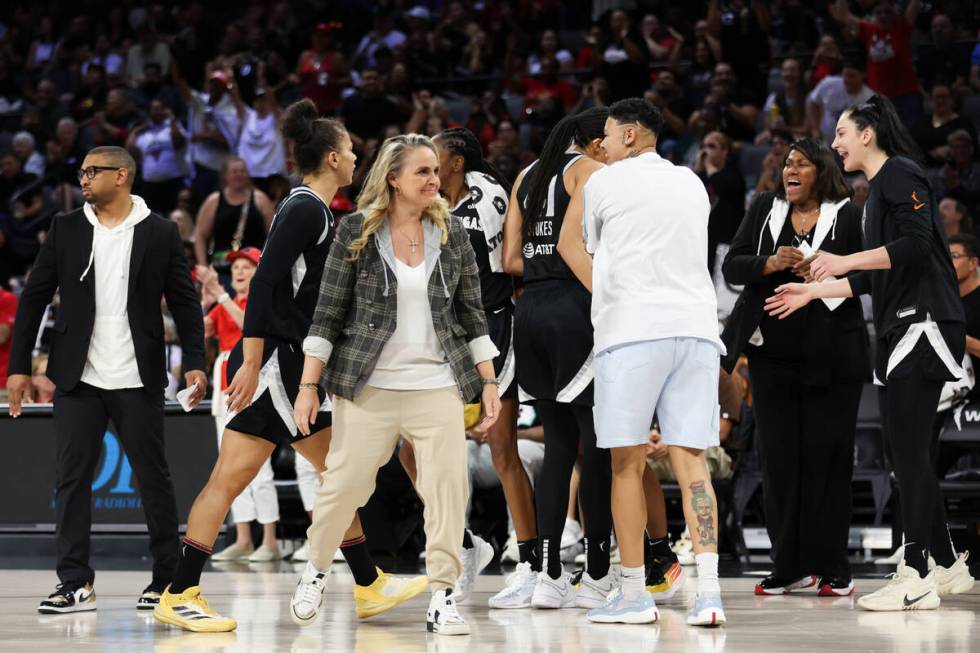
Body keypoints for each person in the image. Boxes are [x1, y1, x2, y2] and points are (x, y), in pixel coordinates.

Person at [155, 100, 425, 633]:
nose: (356, 156)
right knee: (243, 479)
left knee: (335, 474)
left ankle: (368, 583)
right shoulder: (304, 207)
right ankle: (180, 590)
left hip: (288, 363)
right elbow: (264, 283)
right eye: (349, 149)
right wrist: (251, 360)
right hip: (278, 366)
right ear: (330, 156)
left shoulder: (315, 209)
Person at [766, 94, 975, 610]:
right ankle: (947, 566)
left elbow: (918, 244)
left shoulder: (900, 173)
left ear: (867, 134)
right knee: (914, 452)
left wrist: (842, 259)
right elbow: (872, 278)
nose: (834, 142)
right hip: (904, 324)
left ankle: (916, 573)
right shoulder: (878, 189)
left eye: (841, 132)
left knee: (907, 455)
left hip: (921, 325)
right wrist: (814, 289)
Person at [289, 133, 501, 636]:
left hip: (437, 383)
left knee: (448, 488)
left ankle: (443, 594)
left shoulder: (454, 235)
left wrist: (488, 381)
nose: (435, 179)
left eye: (435, 171)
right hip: (369, 385)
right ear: (393, 178)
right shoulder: (355, 231)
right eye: (423, 172)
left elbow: (473, 315)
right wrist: (307, 385)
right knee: (344, 486)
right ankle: (315, 571)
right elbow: (327, 313)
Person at [5, 145, 207, 614]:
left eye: (92, 172)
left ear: (122, 176)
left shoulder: (160, 232)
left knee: (153, 478)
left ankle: (165, 578)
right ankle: (75, 581)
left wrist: (195, 359)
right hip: (78, 377)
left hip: (138, 376)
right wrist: (19, 366)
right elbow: (33, 298)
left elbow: (184, 301)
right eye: (81, 172)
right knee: (70, 479)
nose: (83, 179)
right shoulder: (66, 228)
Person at [580, 98, 726, 627]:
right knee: (692, 465)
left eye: (607, 133)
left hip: (633, 331)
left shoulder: (602, 183)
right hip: (696, 331)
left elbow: (594, 249)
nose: (601, 143)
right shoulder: (691, 181)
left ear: (629, 136)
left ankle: (635, 594)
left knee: (627, 464)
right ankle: (709, 594)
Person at [722, 138, 869, 597]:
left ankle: (833, 567)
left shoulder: (846, 213)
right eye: (787, 163)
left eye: (801, 163)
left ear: (821, 170)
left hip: (834, 354)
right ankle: (788, 565)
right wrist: (769, 262)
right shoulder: (766, 206)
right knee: (780, 462)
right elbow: (732, 266)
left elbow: (867, 275)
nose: (791, 169)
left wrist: (826, 274)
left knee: (827, 459)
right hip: (772, 355)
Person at [398, 126, 524, 603]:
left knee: (501, 447)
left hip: (490, 329)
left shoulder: (488, 193)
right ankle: (467, 543)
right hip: (442, 338)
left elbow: (508, 264)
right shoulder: (431, 210)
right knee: (410, 449)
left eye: (437, 152)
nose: (429, 157)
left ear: (456, 162)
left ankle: (532, 560)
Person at [500, 107, 615, 610]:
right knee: (597, 447)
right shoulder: (590, 171)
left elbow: (508, 262)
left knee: (558, 449)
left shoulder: (525, 174)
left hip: (529, 314)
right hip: (576, 309)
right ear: (592, 143)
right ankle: (595, 573)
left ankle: (548, 573)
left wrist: (542, 262)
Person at [197, 247, 281, 563]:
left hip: (254, 377)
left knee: (257, 467)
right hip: (224, 383)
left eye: (247, 266)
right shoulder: (223, 303)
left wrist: (220, 297)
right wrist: (204, 302)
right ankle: (244, 538)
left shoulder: (258, 301)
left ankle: (270, 540)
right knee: (229, 465)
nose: (239, 272)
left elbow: (251, 327)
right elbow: (196, 330)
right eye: (235, 268)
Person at [193, 157, 274, 267]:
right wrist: (203, 266)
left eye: (242, 171)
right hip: (221, 267)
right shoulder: (214, 201)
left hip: (254, 266)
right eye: (234, 171)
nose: (239, 174)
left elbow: (273, 233)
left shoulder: (260, 199)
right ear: (225, 175)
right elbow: (200, 235)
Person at [696, 130, 746, 275]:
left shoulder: (734, 174)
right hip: (705, 240)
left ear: (724, 151)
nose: (705, 150)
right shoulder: (700, 175)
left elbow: (722, 186)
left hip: (726, 242)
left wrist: (709, 167)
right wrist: (699, 168)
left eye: (711, 146)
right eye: (703, 146)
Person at [126, 100, 189, 215]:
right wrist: (135, 131)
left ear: (165, 110)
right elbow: (131, 153)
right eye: (153, 109)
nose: (155, 112)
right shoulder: (144, 134)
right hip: (150, 185)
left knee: (173, 215)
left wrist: (172, 119)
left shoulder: (173, 127)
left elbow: (178, 142)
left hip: (172, 183)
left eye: (158, 109)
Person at [806, 58, 873, 146]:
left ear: (863, 75)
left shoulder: (869, 98)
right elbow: (812, 102)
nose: (847, 80)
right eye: (845, 75)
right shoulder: (829, 84)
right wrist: (815, 129)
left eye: (852, 76)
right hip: (825, 143)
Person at [951, 233, 980, 403]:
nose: (948, 263)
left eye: (954, 256)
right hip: (950, 392)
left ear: (973, 263)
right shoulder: (944, 300)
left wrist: (962, 341)